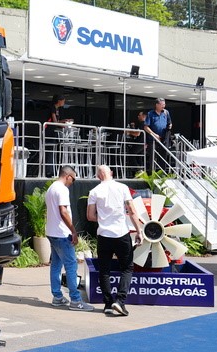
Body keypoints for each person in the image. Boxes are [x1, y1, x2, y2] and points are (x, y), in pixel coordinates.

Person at [87, 165, 144, 317]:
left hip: (104, 235)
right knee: (127, 268)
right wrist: (139, 231)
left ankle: (107, 303)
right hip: (121, 233)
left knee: (104, 270)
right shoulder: (122, 187)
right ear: (111, 173)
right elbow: (132, 211)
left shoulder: (94, 192)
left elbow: (90, 216)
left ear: (98, 176)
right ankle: (120, 301)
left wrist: (104, 218)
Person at [45, 165, 94, 311]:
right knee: (71, 266)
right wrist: (73, 231)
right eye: (73, 179)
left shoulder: (51, 188)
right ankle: (75, 300)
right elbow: (63, 211)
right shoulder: (62, 189)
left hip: (52, 232)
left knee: (56, 265)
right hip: (62, 234)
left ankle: (57, 297)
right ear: (68, 176)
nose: (73, 182)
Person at [143, 98, 172, 173]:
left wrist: (170, 126)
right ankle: (151, 173)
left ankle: (162, 173)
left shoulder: (166, 112)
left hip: (163, 138)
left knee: (163, 156)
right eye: (162, 105)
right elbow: (146, 127)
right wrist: (154, 135)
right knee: (152, 157)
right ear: (157, 105)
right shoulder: (150, 114)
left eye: (164, 104)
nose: (163, 106)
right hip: (153, 139)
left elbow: (170, 122)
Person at [44, 94, 66, 177]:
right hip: (49, 131)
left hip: (53, 131)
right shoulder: (53, 108)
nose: (64, 102)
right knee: (49, 151)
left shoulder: (57, 109)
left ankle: (50, 170)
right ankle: (48, 171)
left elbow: (57, 121)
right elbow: (54, 121)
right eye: (63, 100)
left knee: (52, 151)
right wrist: (61, 123)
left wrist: (64, 121)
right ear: (59, 101)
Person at [125, 111, 146, 175]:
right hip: (143, 143)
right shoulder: (146, 124)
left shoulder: (142, 123)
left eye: (139, 115)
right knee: (139, 157)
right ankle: (141, 173)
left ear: (143, 116)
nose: (138, 116)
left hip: (140, 143)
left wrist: (128, 132)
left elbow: (137, 134)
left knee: (130, 154)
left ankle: (139, 170)